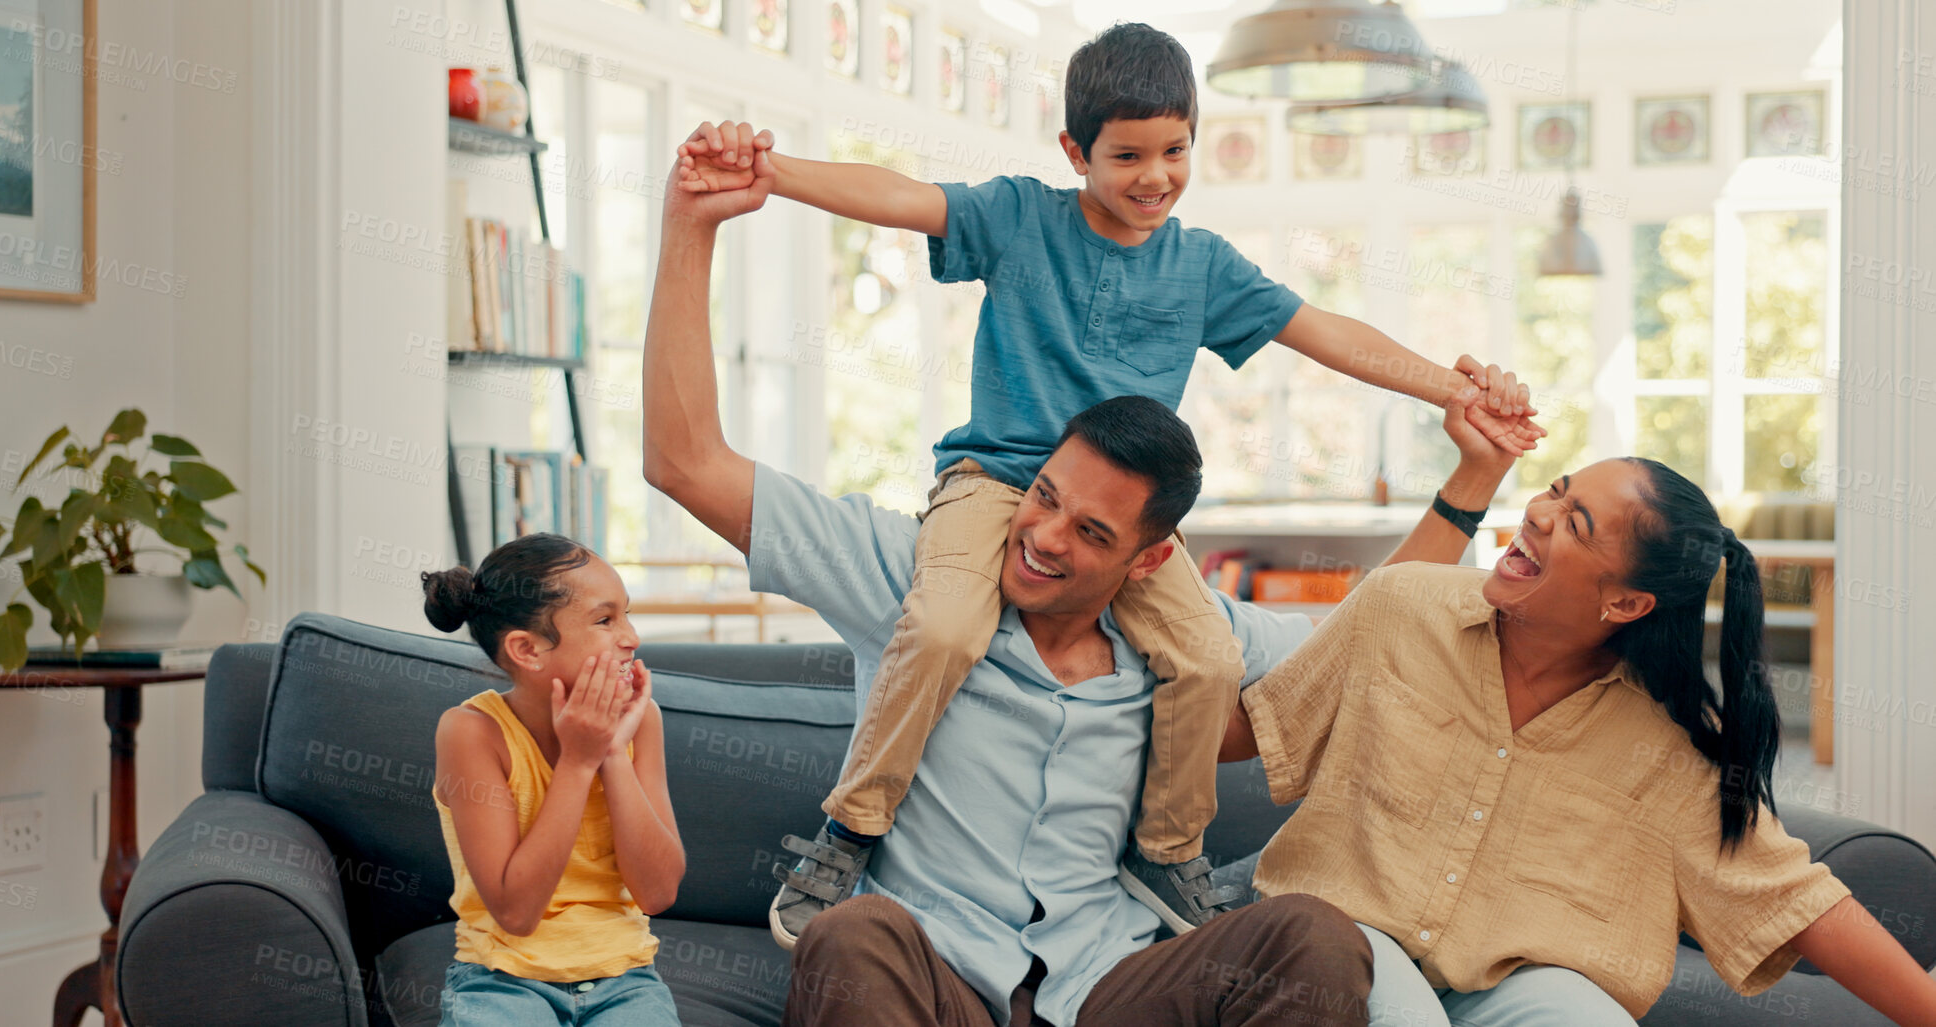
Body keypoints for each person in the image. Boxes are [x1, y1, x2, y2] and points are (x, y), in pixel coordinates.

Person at [674, 20, 1545, 944]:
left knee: (1206, 658)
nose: (1154, 176)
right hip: (1000, 485)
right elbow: (901, 195)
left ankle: (1166, 849)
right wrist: (774, 173)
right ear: (1074, 152)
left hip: (1120, 519)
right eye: (1127, 155)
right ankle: (850, 829)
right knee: (941, 624)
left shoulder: (1200, 265)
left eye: (1175, 150)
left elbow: (1325, 330)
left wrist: (1456, 388)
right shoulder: (1019, 217)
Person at [1220, 441, 1936, 1025]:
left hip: (1510, 980)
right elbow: (1257, 725)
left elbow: (1795, 899)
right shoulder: (1400, 602)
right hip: (1343, 937)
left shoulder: (1670, 743)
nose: (1537, 512)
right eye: (1555, 490)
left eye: (1574, 522)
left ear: (1624, 600)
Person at [421, 534, 684, 1026]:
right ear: (528, 649)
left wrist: (611, 753)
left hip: (625, 980)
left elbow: (658, 892)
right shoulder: (472, 733)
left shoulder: (641, 722)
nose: (631, 637)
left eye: (627, 614)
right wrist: (578, 764)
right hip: (501, 979)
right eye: (605, 620)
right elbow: (516, 914)